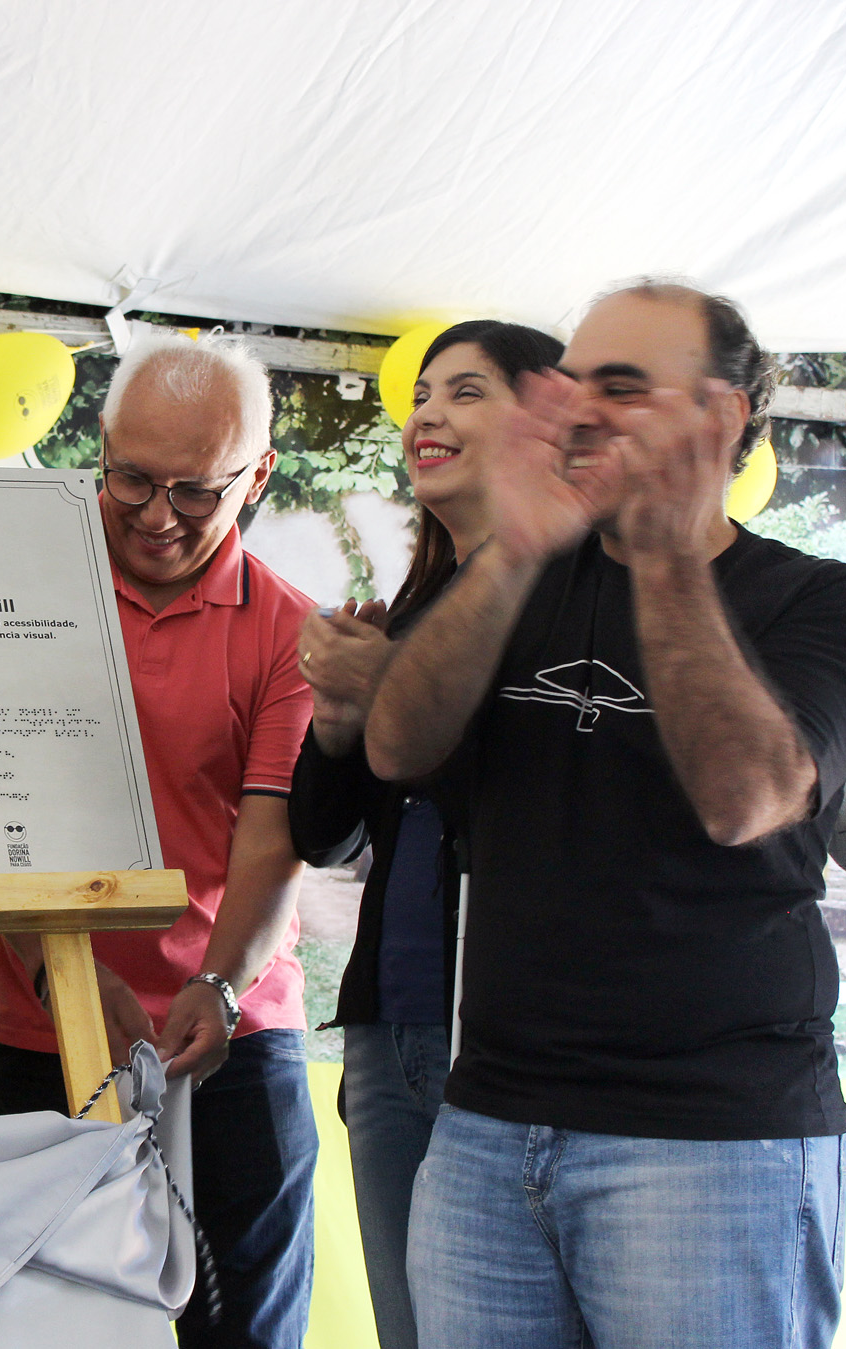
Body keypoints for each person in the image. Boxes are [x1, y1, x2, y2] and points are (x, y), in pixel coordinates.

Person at [364, 281, 846, 1348]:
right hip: (486, 1127)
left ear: (722, 416)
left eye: (622, 386)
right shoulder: (519, 576)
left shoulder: (824, 601)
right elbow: (396, 746)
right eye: (571, 383)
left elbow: (746, 798)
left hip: (709, 1142)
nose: (582, 410)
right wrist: (505, 550)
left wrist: (664, 557)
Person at [0, 335, 316, 1348]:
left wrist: (218, 984)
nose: (157, 514)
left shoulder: (287, 632)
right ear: (100, 448)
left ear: (255, 477)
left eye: (196, 492)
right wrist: (62, 975)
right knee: (44, 1324)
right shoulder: (10, 599)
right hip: (39, 1025)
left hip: (231, 1034)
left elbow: (270, 844)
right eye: (129, 479)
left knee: (241, 1321)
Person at [286, 321, 563, 1349]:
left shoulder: (572, 607)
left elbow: (530, 798)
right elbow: (322, 834)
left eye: (465, 392)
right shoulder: (410, 606)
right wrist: (336, 718)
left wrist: (392, 692)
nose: (426, 416)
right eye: (421, 396)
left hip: (504, 1032)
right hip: (388, 1024)